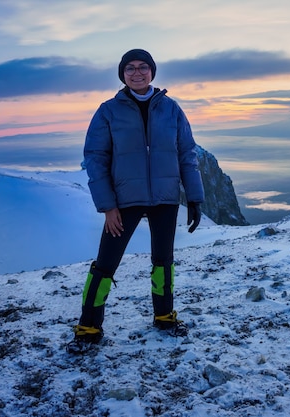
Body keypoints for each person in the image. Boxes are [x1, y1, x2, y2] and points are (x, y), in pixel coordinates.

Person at [67, 49, 204, 354]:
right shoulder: (108, 111)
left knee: (163, 261)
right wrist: (108, 206)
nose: (137, 73)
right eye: (130, 68)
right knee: (105, 264)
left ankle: (164, 316)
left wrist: (194, 196)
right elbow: (96, 158)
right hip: (124, 201)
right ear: (123, 74)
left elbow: (187, 154)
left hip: (165, 198)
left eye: (143, 67)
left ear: (152, 72)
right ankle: (89, 326)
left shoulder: (171, 109)